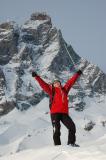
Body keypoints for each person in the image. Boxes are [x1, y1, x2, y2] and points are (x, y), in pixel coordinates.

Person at [32, 70, 82, 147]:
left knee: (72, 126)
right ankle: (57, 146)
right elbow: (43, 84)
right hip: (55, 113)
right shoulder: (51, 90)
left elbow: (71, 82)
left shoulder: (64, 90)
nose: (56, 83)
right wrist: (36, 77)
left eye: (58, 82)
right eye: (55, 83)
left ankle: (71, 143)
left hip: (64, 113)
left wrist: (77, 74)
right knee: (56, 129)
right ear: (53, 84)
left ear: (60, 83)